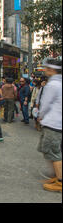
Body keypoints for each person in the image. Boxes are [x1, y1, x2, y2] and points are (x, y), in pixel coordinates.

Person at [37, 59, 62, 192]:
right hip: (58, 123)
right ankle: (56, 177)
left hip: (53, 123)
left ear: (51, 70)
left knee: (53, 152)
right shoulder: (59, 82)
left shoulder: (53, 85)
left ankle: (60, 182)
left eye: (46, 68)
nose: (44, 70)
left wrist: (40, 115)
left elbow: (45, 104)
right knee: (52, 151)